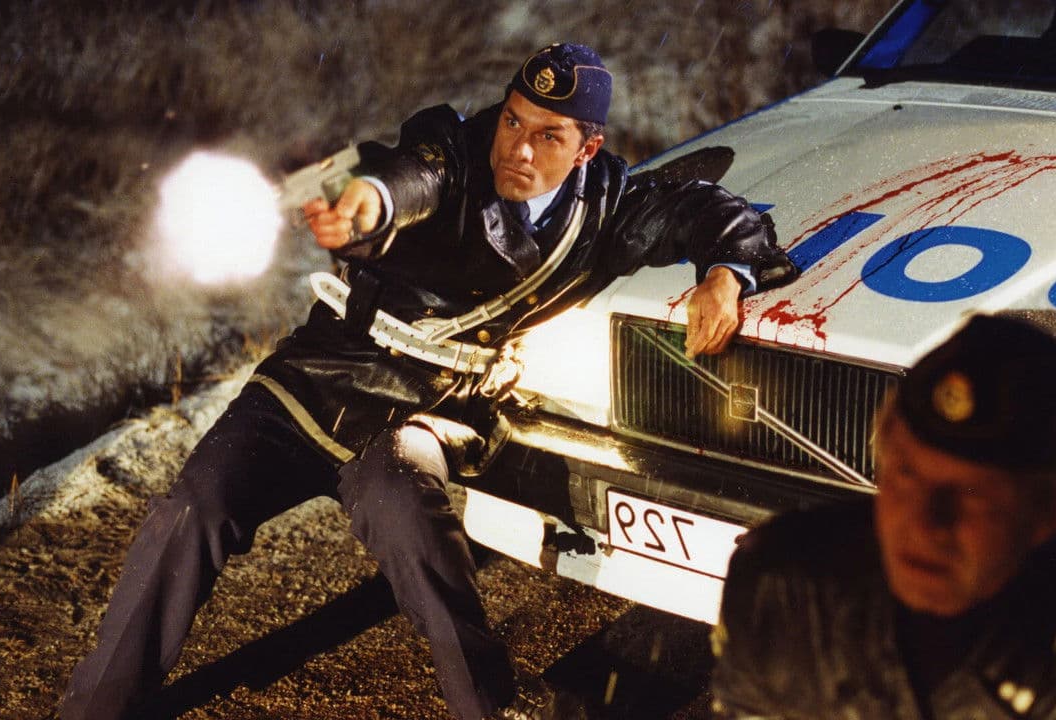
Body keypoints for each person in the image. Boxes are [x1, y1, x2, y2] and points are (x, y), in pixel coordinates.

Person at [60, 43, 799, 720]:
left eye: (549, 136)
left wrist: (726, 275)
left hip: (423, 408)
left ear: (587, 149)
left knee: (414, 528)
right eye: (513, 121)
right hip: (320, 378)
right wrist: (371, 204)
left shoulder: (605, 210)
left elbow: (710, 210)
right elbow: (412, 176)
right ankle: (95, 708)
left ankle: (486, 708)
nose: (519, 147)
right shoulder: (454, 149)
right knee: (191, 507)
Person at [709, 314, 1056, 719]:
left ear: (1045, 514)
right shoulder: (781, 592)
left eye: (972, 496)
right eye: (906, 474)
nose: (926, 523)